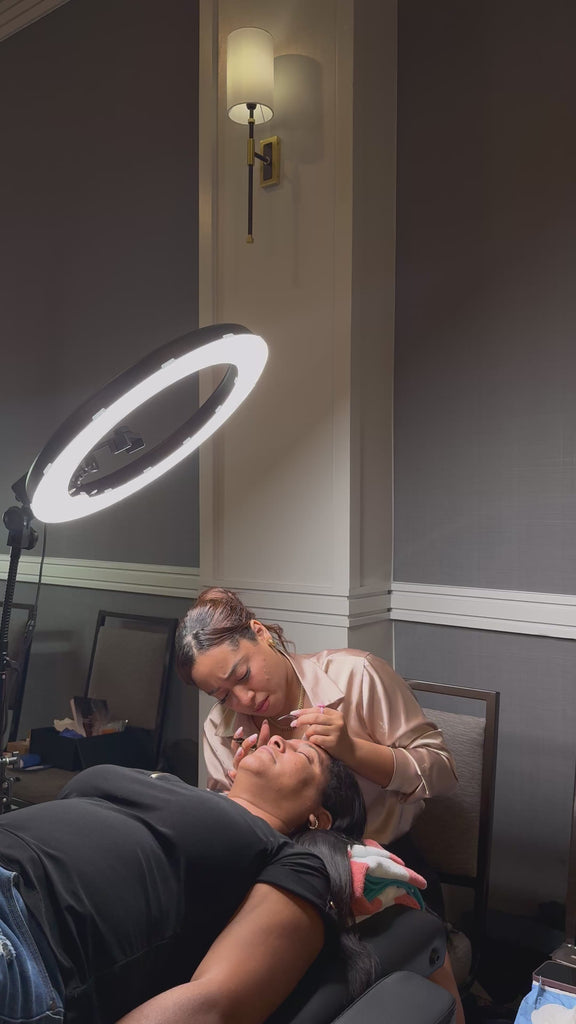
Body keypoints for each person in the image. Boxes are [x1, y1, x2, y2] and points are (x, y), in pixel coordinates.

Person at [175, 588, 458, 888]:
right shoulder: (220, 727)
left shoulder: (356, 676)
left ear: (260, 633)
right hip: (279, 872)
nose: (244, 699)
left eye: (243, 675)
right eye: (223, 696)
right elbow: (228, 832)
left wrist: (354, 751)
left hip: (383, 869)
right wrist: (243, 791)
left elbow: (442, 771)